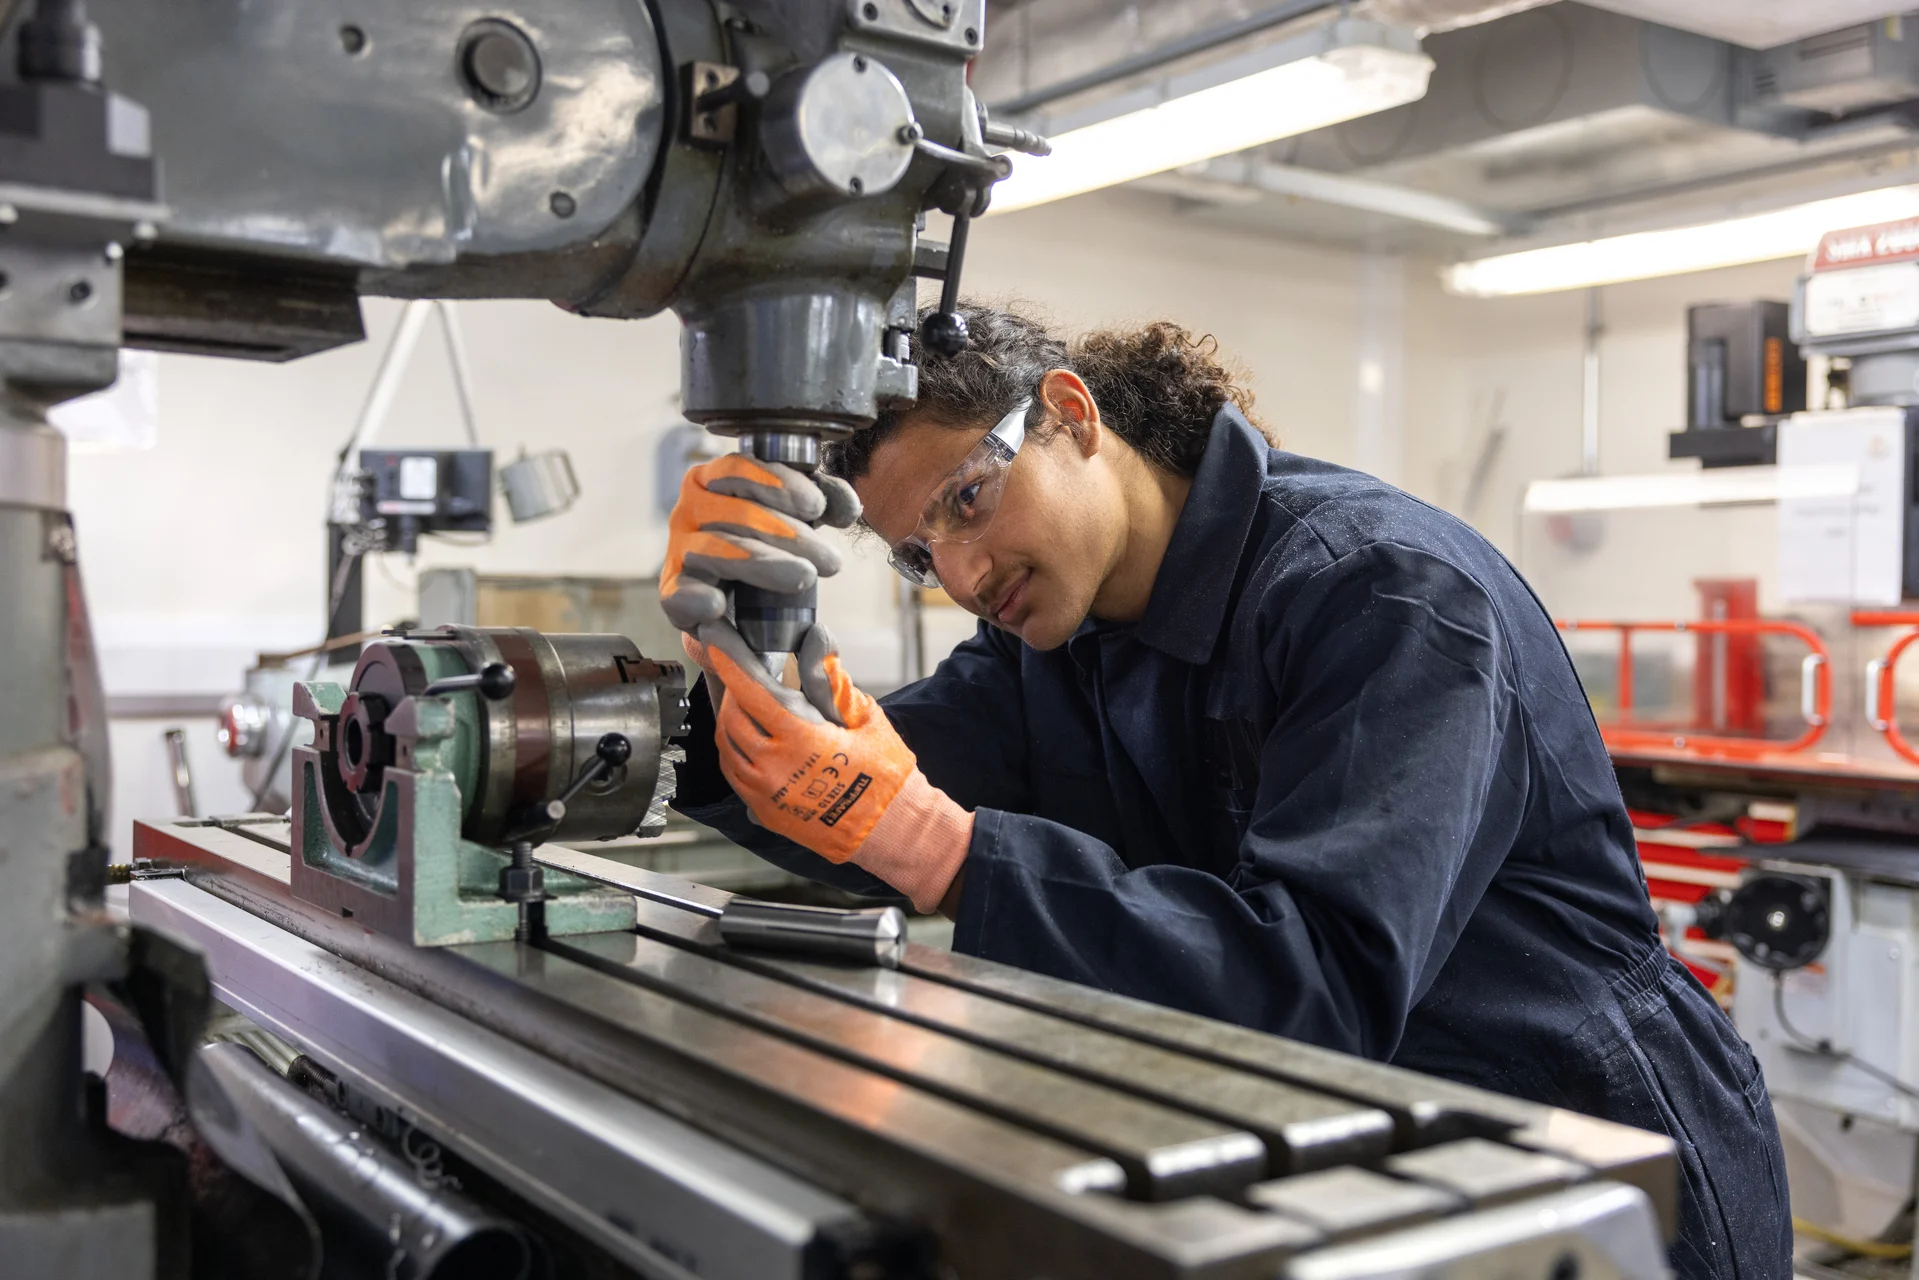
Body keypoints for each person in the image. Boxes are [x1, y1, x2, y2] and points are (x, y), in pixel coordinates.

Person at [659, 304, 1790, 1278]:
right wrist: (734, 654)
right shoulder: (1048, 639)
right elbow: (839, 787)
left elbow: (1315, 980)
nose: (960, 573)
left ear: (1071, 414)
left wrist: (937, 847)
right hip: (1349, 1149)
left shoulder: (1378, 592)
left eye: (966, 498)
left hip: (1582, 1148)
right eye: (917, 552)